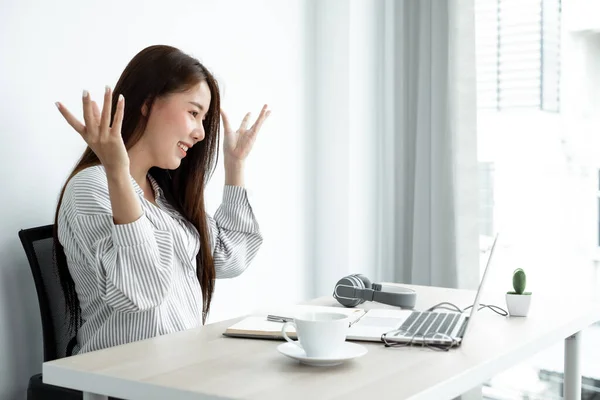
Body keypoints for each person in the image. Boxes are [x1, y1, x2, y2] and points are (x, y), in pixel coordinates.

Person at [52, 45, 270, 354]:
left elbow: (228, 257)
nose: (200, 134)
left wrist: (235, 165)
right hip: (124, 378)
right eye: (193, 113)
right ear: (148, 103)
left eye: (204, 119)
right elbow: (140, 292)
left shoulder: (163, 196)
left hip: (182, 368)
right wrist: (117, 171)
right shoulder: (92, 186)